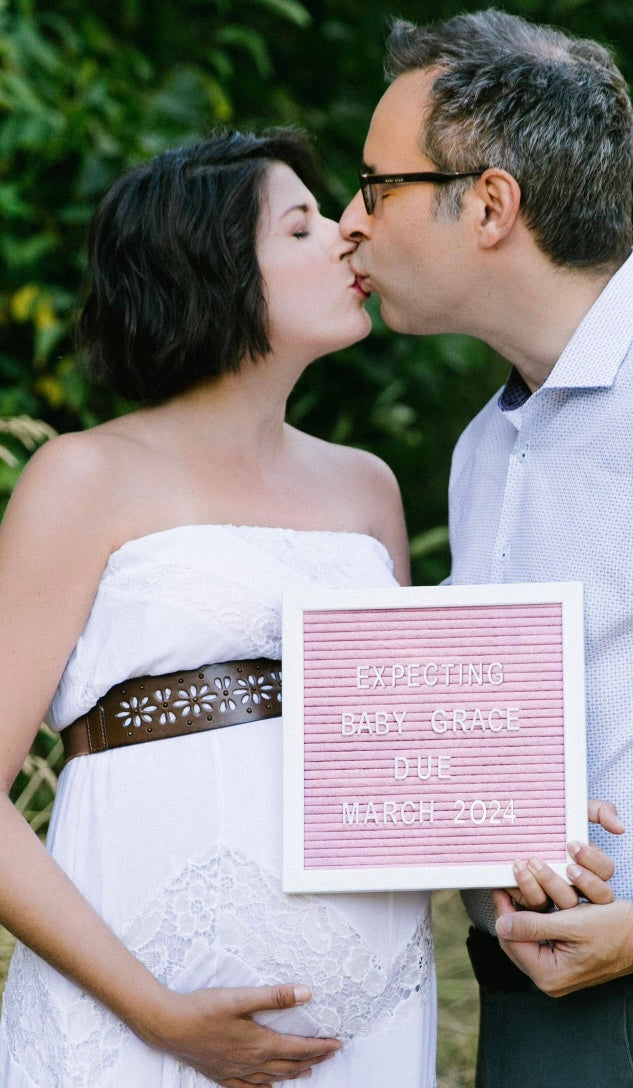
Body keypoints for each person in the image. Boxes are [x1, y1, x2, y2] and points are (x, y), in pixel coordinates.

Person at [339, 10, 633, 1087]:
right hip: (522, 1013)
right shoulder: (487, 445)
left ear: (493, 205)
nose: (348, 222)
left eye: (377, 187)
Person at [0, 128, 436, 1087]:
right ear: (208, 270)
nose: (347, 236)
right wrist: (160, 1016)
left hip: (368, 1012)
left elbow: (414, 760)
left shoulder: (368, 489)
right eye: (302, 225)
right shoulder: (82, 477)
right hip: (134, 1011)